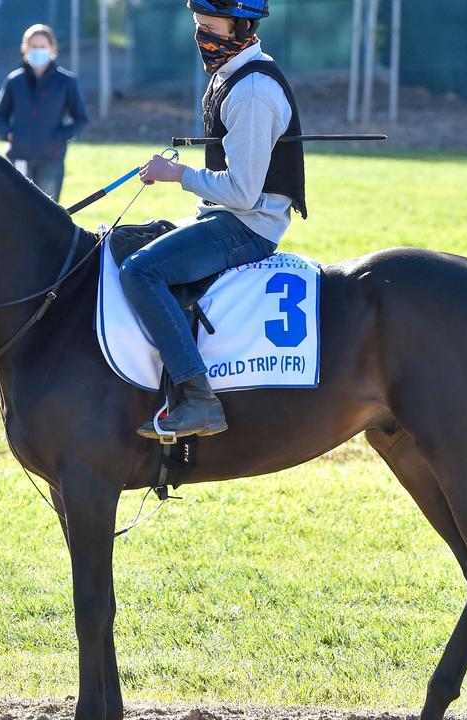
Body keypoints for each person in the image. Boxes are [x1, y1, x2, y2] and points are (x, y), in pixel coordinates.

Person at [120, 0, 306, 440]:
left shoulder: (252, 91)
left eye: (210, 27)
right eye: (197, 25)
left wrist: (177, 174)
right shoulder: (232, 75)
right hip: (226, 216)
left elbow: (243, 194)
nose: (201, 35)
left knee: (141, 271)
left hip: (248, 227)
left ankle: (198, 398)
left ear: (241, 25)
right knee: (128, 241)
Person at [0, 24, 89, 202]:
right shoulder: (14, 80)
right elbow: (0, 113)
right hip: (19, 157)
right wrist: (8, 134)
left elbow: (81, 117)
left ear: (53, 49)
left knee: (48, 212)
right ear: (25, 49)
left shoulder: (66, 82)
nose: (38, 51)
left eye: (43, 46)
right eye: (33, 46)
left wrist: (60, 137)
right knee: (18, 209)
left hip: (51, 159)